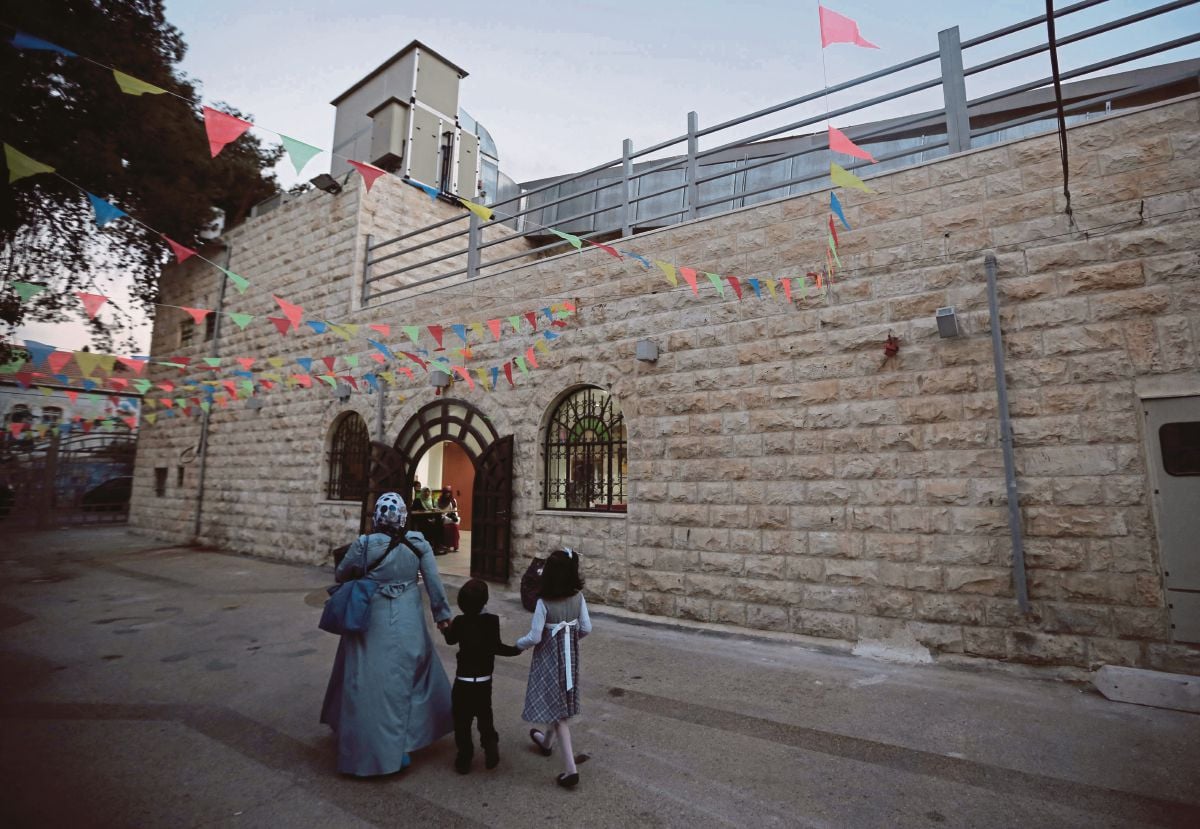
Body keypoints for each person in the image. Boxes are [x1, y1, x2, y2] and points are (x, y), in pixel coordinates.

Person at [319, 492, 454, 776]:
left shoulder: (364, 545)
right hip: (408, 619)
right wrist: (442, 616)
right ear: (403, 516)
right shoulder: (418, 544)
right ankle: (405, 742)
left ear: (377, 516)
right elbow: (433, 582)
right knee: (412, 679)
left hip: (370, 619)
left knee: (365, 683)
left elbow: (342, 574)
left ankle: (362, 744)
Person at [517, 547, 591, 788]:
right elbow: (586, 628)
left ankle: (571, 769)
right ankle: (546, 743)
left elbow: (536, 636)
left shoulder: (543, 603)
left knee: (559, 715)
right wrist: (569, 638)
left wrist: (519, 644)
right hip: (569, 657)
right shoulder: (578, 598)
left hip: (548, 660)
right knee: (558, 700)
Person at [441, 578, 522, 774]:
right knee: (485, 718)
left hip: (463, 682)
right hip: (484, 682)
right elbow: (496, 647)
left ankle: (465, 757)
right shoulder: (491, 621)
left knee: (462, 722)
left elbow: (451, 640)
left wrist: (445, 628)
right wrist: (516, 650)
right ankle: (490, 745)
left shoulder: (459, 622)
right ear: (485, 601)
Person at [438, 485, 460, 552]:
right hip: (443, 518)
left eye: (449, 492)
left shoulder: (453, 500)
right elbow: (438, 511)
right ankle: (447, 545)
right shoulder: (439, 500)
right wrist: (445, 516)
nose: (448, 494)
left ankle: (455, 545)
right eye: (446, 492)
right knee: (447, 528)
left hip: (451, 518)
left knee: (455, 527)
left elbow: (455, 511)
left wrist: (453, 516)